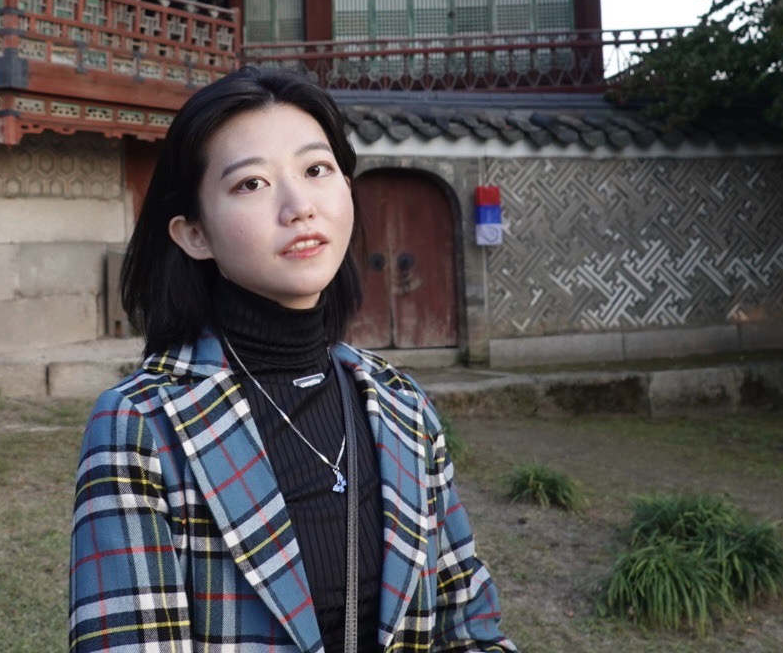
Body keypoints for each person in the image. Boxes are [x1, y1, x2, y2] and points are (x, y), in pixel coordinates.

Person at [69, 67, 517, 653]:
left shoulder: (402, 405)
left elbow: (470, 627)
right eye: (251, 183)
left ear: (347, 188)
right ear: (195, 234)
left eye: (316, 170)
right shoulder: (142, 425)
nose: (299, 206)